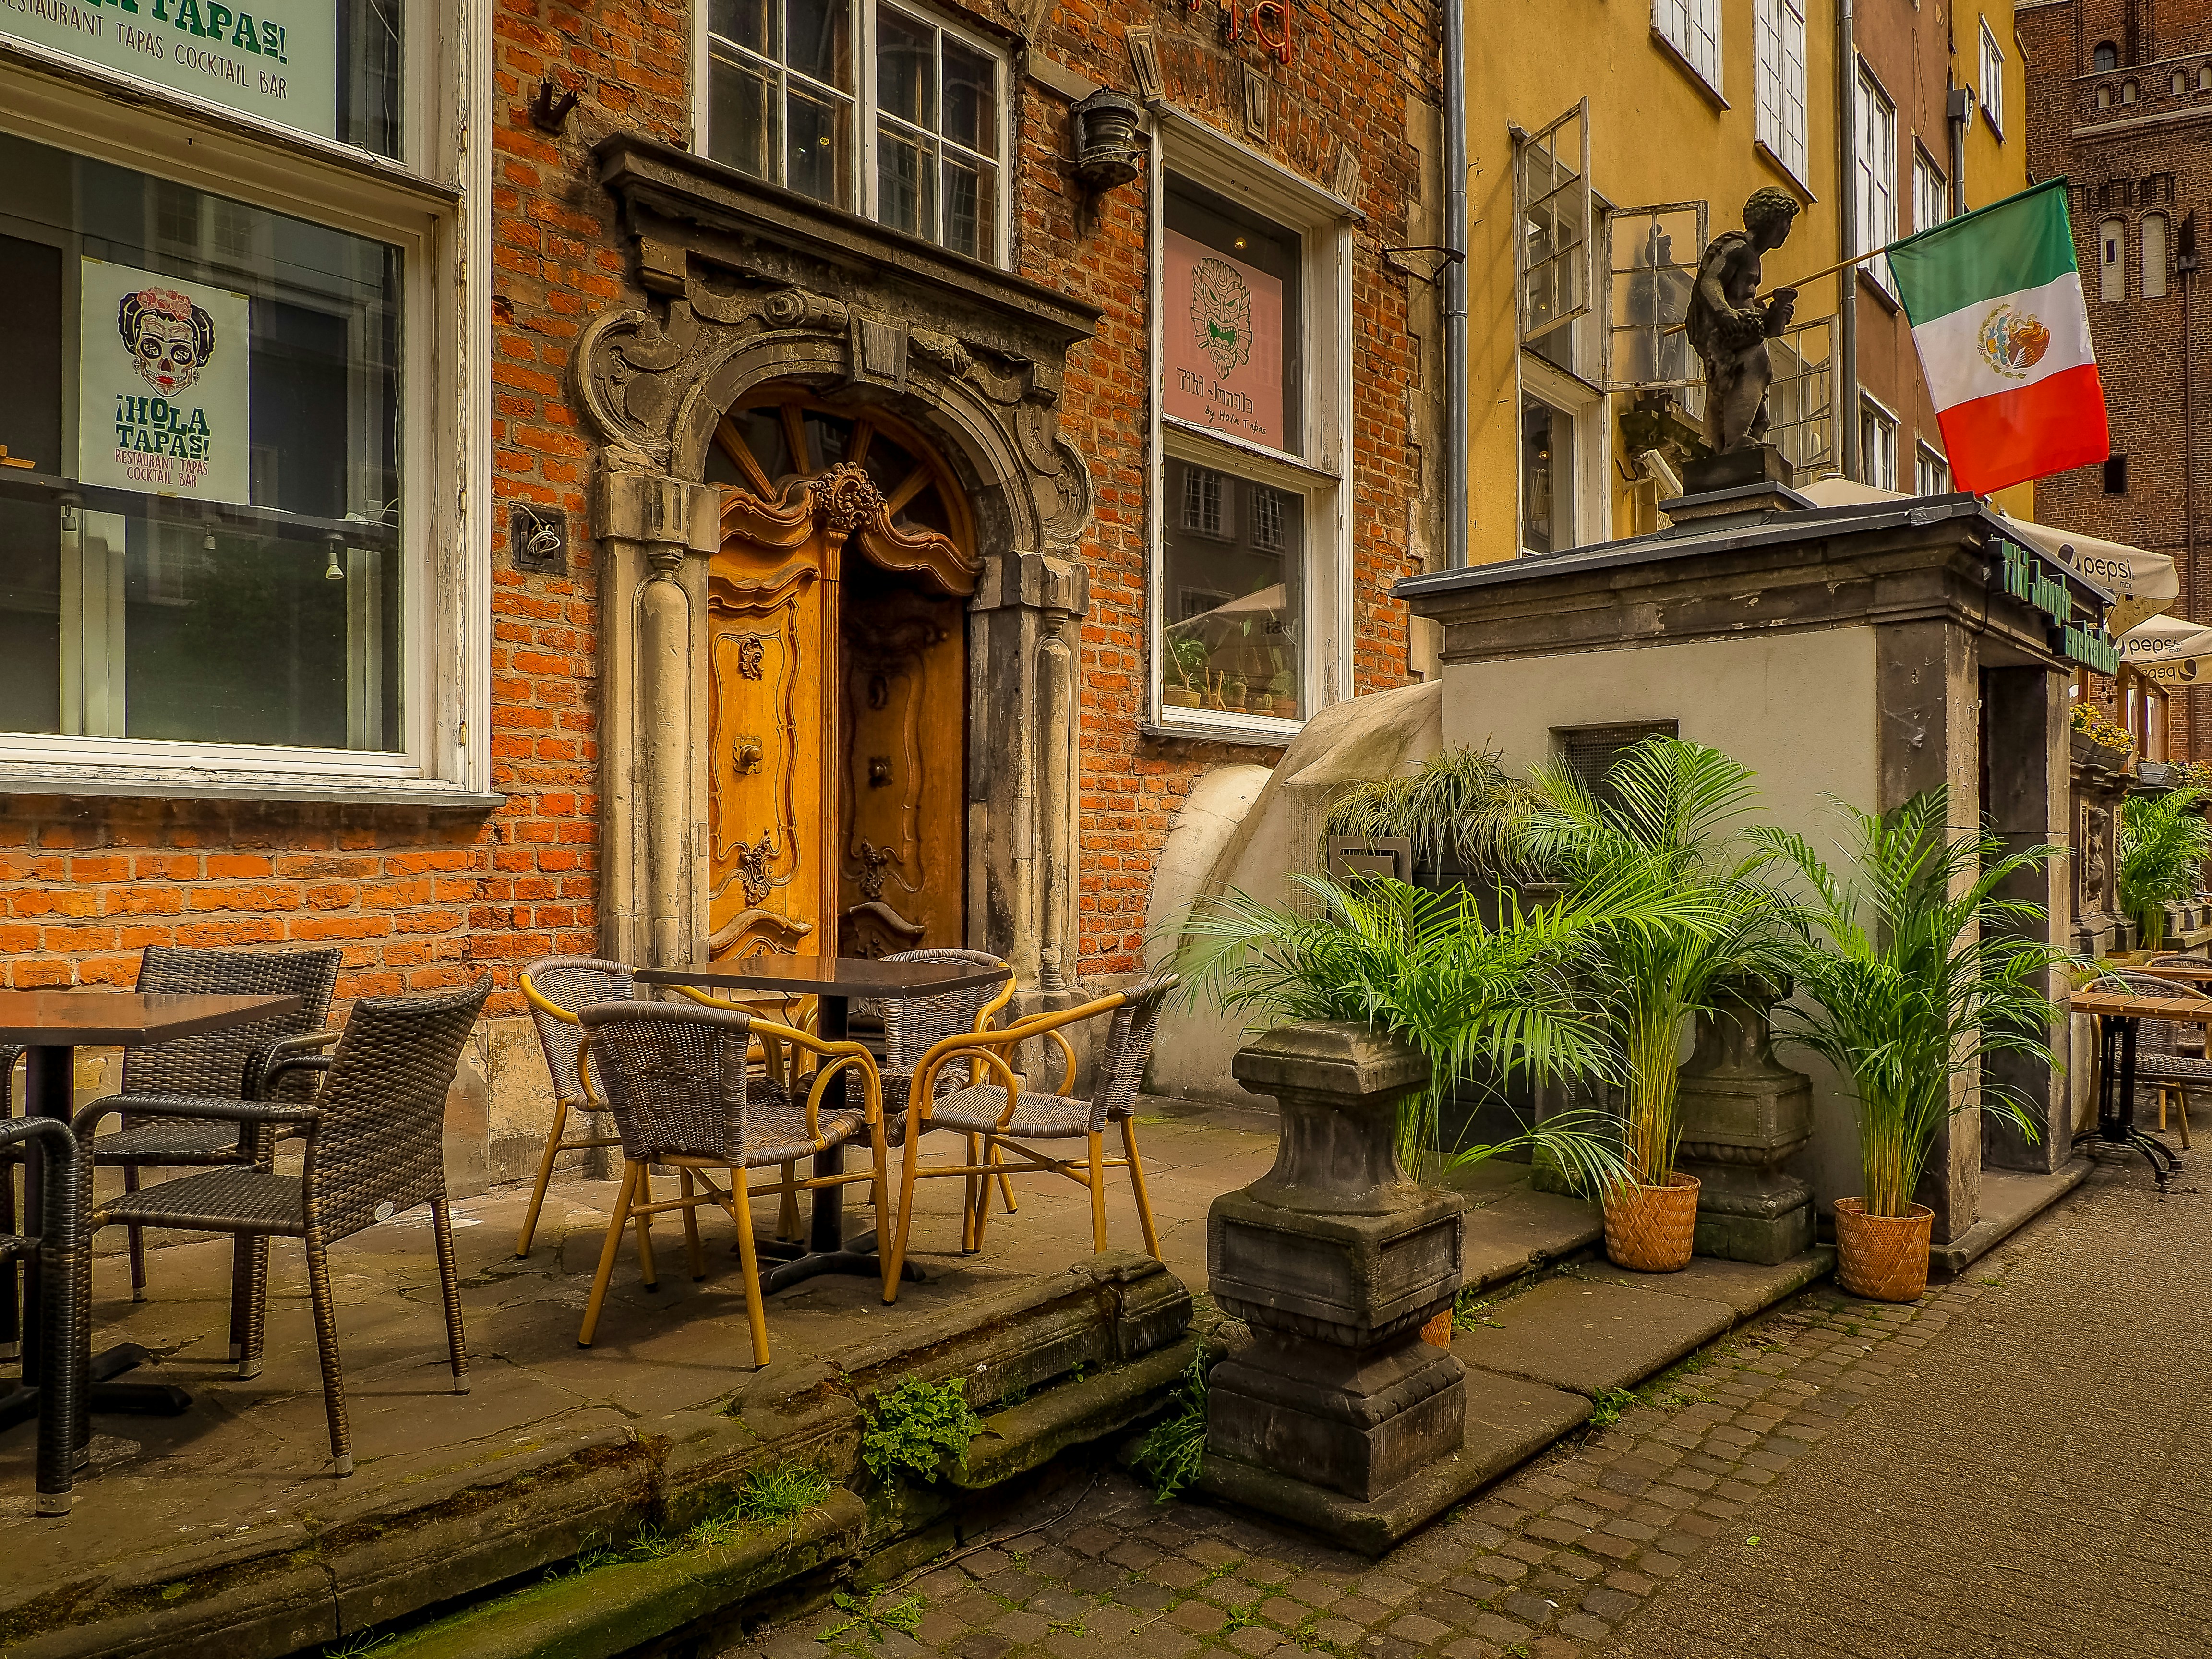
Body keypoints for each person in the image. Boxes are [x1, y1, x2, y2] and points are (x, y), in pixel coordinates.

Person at [1685, 188, 1802, 454]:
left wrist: (1777, 311)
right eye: (1786, 222)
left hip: (1741, 327)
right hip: (1727, 328)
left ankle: (1736, 439)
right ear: (1770, 220)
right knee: (1756, 364)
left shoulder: (1753, 258)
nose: (1787, 230)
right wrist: (1724, 313)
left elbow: (1760, 317)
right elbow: (1711, 281)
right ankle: (1737, 440)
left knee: (1749, 373)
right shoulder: (1738, 248)